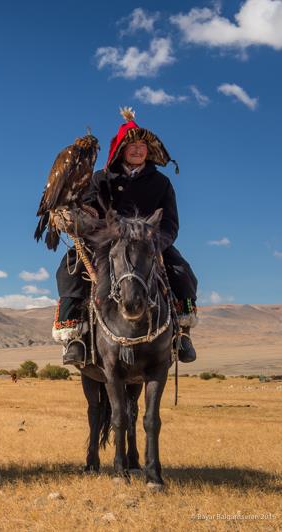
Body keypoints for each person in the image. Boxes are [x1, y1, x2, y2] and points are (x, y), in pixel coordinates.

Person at [54, 108, 198, 365]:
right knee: (68, 271)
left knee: (182, 272)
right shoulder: (100, 179)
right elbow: (85, 206)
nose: (137, 150)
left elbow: (171, 224)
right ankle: (74, 335)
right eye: (131, 145)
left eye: (142, 145)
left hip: (149, 243)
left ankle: (181, 334)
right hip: (105, 242)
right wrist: (79, 221)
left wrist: (155, 244)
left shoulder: (161, 183)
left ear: (148, 151)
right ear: (120, 149)